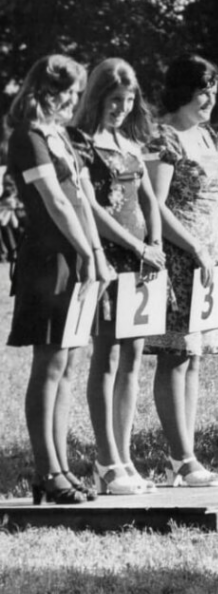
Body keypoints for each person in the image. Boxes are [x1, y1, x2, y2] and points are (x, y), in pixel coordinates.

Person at [7, 55, 105, 505]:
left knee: (68, 365)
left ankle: (61, 467)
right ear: (41, 91)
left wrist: (97, 255)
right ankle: (46, 470)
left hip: (78, 256)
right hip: (49, 260)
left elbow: (82, 198)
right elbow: (54, 201)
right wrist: (85, 252)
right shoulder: (27, 137)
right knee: (48, 366)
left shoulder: (60, 136)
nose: (69, 101)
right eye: (62, 93)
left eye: (73, 93)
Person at [70, 58, 165, 494]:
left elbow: (149, 199)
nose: (122, 109)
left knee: (132, 359)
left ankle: (124, 458)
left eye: (128, 101)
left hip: (144, 262)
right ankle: (105, 459)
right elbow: (90, 206)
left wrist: (157, 244)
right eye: (114, 101)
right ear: (97, 97)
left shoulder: (128, 141)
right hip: (110, 258)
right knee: (106, 358)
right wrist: (135, 246)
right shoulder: (81, 142)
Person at [145, 53, 218, 488]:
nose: (209, 97)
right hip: (179, 258)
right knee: (175, 356)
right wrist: (195, 247)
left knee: (195, 357)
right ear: (183, 89)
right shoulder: (164, 136)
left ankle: (190, 454)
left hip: (208, 260)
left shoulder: (209, 137)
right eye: (202, 89)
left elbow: (215, 202)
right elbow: (156, 206)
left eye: (214, 89)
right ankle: (180, 458)